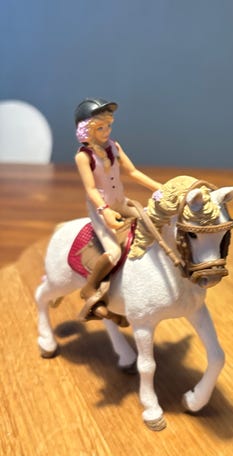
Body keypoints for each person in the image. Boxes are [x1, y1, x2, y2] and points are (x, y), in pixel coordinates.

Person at [74, 98, 162, 320]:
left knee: (149, 220)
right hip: (101, 208)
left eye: (108, 126)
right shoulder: (83, 157)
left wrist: (160, 187)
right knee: (113, 253)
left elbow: (133, 172)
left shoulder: (115, 147)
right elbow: (91, 189)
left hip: (121, 202)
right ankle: (90, 288)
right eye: (100, 128)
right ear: (86, 130)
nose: (106, 132)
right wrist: (105, 211)